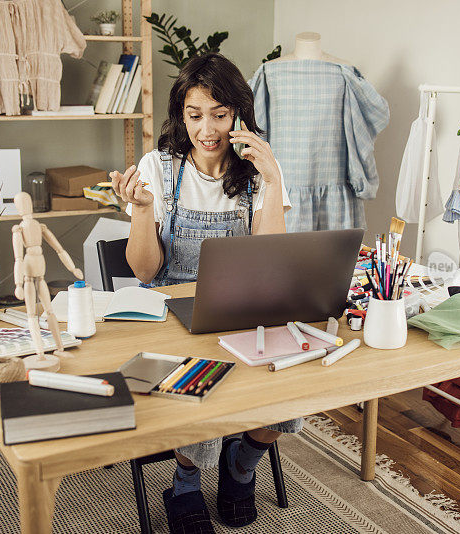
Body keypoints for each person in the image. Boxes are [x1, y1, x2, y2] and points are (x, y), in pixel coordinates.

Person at [110, 53, 301, 533]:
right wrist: (140, 209)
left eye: (219, 114)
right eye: (195, 116)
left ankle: (242, 465)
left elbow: (272, 259)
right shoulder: (158, 166)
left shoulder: (261, 168)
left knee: (296, 392)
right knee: (196, 396)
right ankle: (186, 481)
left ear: (238, 113)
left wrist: (273, 181)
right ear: (182, 115)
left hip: (242, 313)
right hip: (172, 318)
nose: (207, 129)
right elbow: (144, 269)